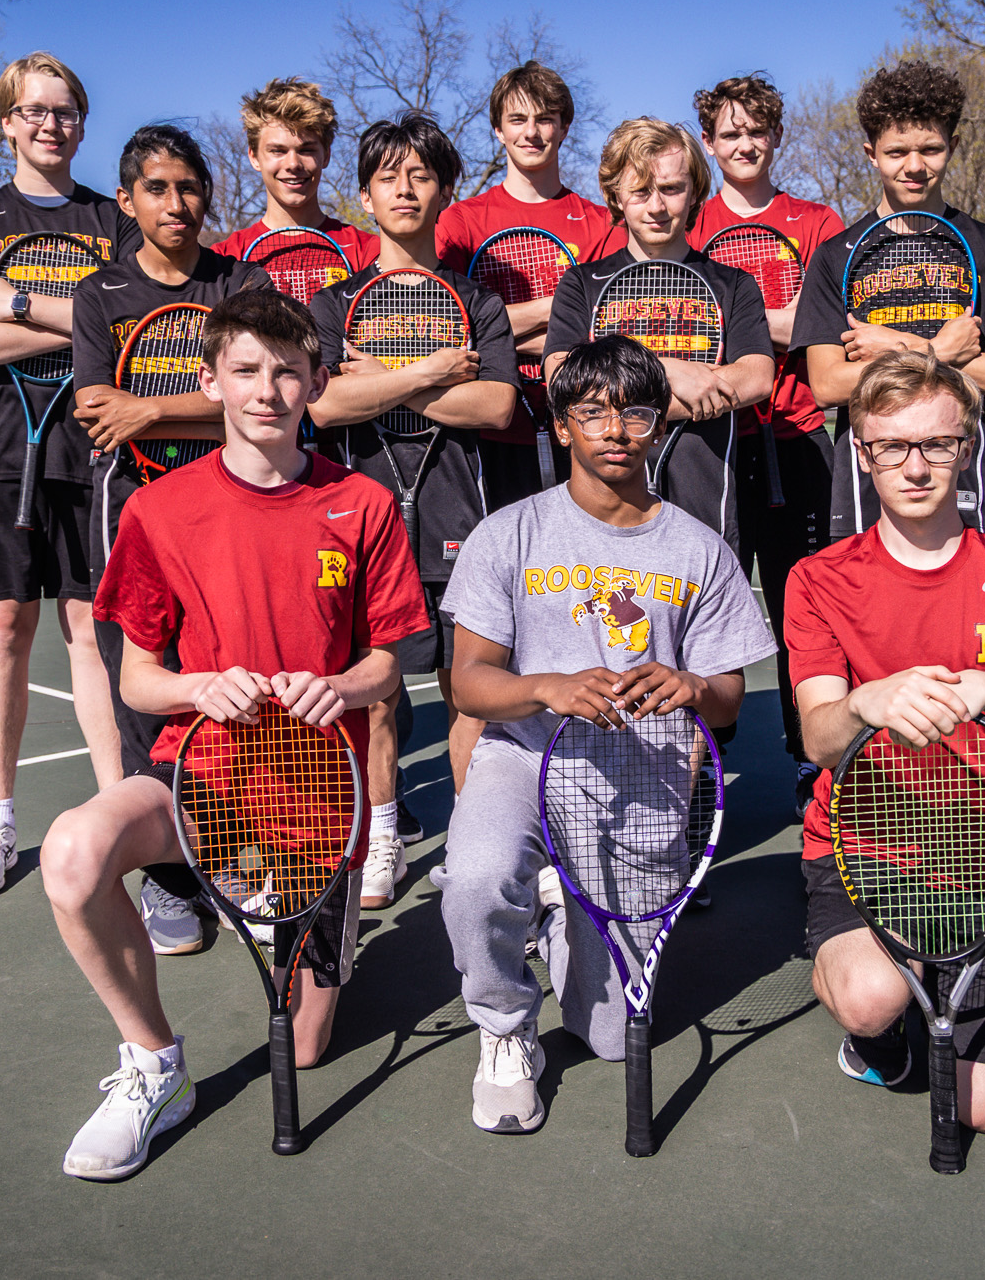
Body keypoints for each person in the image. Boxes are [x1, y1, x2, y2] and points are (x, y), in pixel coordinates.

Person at [42, 289, 428, 1180]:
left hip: (317, 802)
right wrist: (198, 686)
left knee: (306, 1049)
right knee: (71, 851)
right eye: (247, 370)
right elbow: (135, 677)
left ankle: (302, 929)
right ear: (210, 379)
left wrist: (334, 685)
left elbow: (393, 659)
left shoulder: (363, 502)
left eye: (288, 371)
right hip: (198, 779)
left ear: (316, 382)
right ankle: (152, 1064)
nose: (268, 389)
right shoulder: (157, 510)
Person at [437, 335, 776, 1133]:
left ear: (659, 427)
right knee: (479, 874)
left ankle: (564, 905)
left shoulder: (702, 550)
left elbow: (727, 701)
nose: (615, 429)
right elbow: (468, 681)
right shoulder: (509, 534)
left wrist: (692, 687)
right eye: (592, 413)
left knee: (613, 1037)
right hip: (523, 757)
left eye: (636, 413)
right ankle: (504, 1026)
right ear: (562, 427)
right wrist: (543, 687)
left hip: (641, 775)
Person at [785, 349, 985, 1130]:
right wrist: (868, 702)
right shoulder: (816, 579)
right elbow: (819, 737)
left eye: (937, 444)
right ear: (862, 452)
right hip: (864, 846)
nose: (915, 467)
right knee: (873, 997)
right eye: (892, 446)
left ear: (969, 447)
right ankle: (875, 1020)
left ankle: (966, 962)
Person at [0, 51, 140, 899]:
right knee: (3, 628)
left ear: (81, 123)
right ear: (8, 121)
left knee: (92, 629)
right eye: (35, 111)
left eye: (66, 111)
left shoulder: (114, 219)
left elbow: (133, 328)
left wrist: (11, 304)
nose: (52, 124)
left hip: (97, 450)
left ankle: (120, 807)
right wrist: (84, 325)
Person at [67, 123, 273, 955]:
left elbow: (259, 391)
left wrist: (150, 406)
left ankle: (232, 857)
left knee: (235, 698)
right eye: (157, 188)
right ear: (127, 202)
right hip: (134, 523)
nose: (176, 202)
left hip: (228, 525)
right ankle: (171, 880)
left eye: (189, 187)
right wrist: (190, 403)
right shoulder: (100, 295)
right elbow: (92, 406)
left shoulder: (242, 281)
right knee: (143, 706)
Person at [306, 111, 519, 906]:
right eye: (388, 175)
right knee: (376, 696)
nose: (404, 187)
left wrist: (385, 382)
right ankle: (385, 832)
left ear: (444, 191)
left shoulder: (478, 301)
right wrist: (434, 371)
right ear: (363, 195)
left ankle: (477, 835)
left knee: (470, 693)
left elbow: (496, 404)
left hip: (464, 524)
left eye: (420, 174)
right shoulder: (333, 306)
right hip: (360, 526)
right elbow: (325, 408)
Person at [790, 61, 985, 542]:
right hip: (867, 478)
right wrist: (945, 351)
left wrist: (895, 344)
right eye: (897, 151)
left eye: (930, 149)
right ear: (870, 153)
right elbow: (826, 384)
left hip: (966, 477)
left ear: (953, 146)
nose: (914, 166)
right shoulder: (833, 257)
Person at [688, 74, 845, 814]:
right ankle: (692, 778)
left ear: (776, 136)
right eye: (728, 133)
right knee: (698, 618)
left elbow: (824, 327)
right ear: (709, 144)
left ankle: (811, 763)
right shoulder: (686, 223)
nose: (743, 143)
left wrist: (745, 320)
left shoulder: (818, 220)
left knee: (802, 616)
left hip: (801, 439)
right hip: (708, 447)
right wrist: (770, 321)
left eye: (756, 130)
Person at [542, 118, 774, 556]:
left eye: (670, 188)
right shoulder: (582, 283)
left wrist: (619, 403)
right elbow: (561, 376)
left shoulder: (734, 284)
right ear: (616, 197)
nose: (656, 207)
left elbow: (756, 377)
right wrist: (671, 371)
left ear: (695, 193)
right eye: (640, 191)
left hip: (705, 510)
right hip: (601, 513)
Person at [436, 61, 622, 509]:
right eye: (517, 120)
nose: (531, 132)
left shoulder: (601, 223)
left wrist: (499, 334)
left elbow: (608, 334)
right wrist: (559, 310)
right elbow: (453, 332)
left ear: (564, 127)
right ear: (498, 130)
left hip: (579, 425)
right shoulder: (460, 222)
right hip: (485, 430)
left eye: (544, 119)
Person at [212, 77, 380, 276]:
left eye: (306, 150)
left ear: (326, 155)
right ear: (254, 157)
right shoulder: (223, 258)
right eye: (278, 151)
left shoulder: (367, 252)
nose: (293, 164)